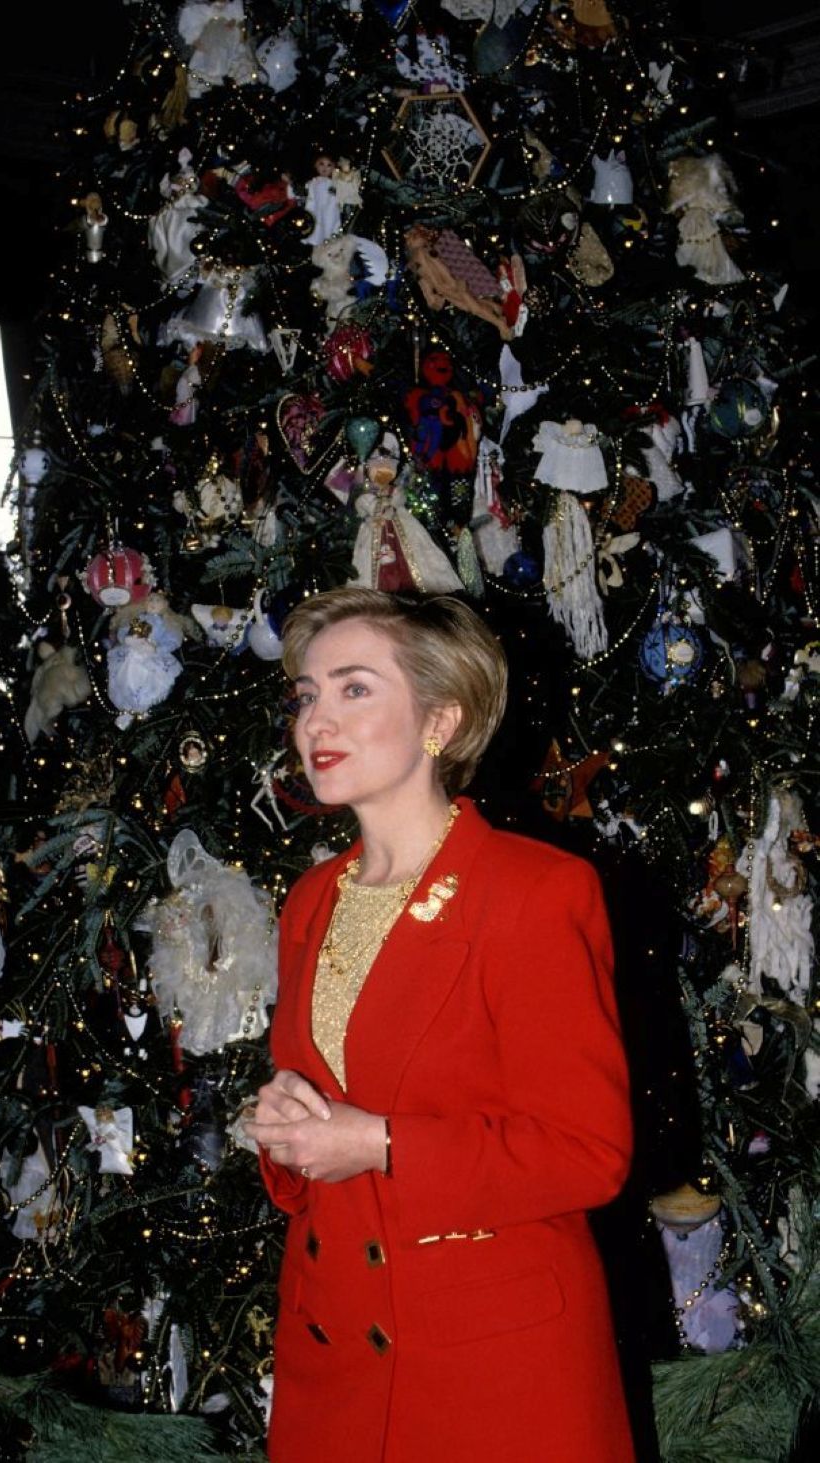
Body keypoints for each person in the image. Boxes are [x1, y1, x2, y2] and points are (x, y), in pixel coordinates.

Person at [248, 586, 631, 1461]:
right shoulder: (311, 900)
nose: (315, 721)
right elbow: (320, 1112)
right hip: (332, 1357)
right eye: (306, 695)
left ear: (440, 721)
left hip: (491, 1372)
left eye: (353, 689)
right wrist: (285, 1132)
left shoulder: (535, 893)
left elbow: (588, 1149)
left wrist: (381, 1143)